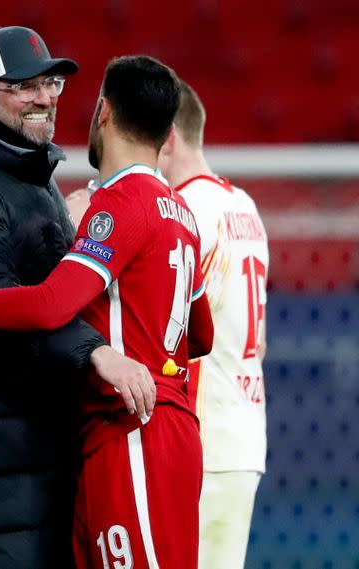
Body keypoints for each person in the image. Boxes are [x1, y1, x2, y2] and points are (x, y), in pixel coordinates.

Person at [0, 55, 216, 568]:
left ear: (102, 111)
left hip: (132, 425)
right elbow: (202, 333)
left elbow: (47, 305)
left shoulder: (119, 204)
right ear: (169, 133)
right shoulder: (182, 211)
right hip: (160, 423)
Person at [158, 79, 269, 569]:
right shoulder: (244, 206)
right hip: (244, 430)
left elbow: (169, 329)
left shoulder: (187, 211)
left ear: (167, 137)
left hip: (203, 439)